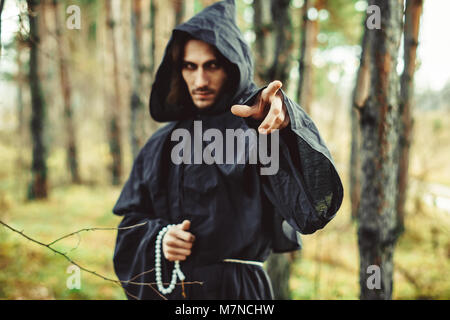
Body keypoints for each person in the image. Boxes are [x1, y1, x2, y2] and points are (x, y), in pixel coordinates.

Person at [112, 0, 343, 300]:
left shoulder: (259, 133)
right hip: (175, 292)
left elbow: (313, 209)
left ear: (233, 66)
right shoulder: (161, 145)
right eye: (190, 66)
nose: (200, 80)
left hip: (240, 295)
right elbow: (130, 225)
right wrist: (160, 239)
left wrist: (288, 128)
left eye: (212, 65)